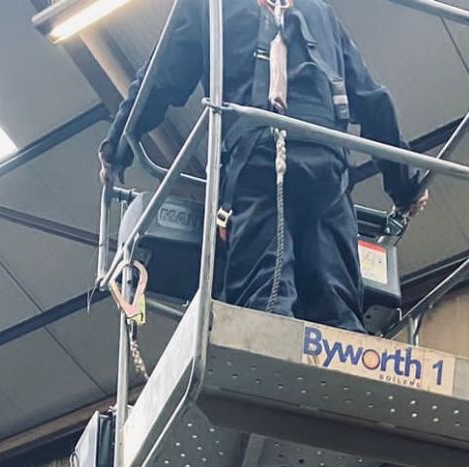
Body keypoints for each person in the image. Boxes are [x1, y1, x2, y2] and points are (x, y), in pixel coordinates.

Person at [99, 0, 428, 332]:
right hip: (328, 169)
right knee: (336, 308)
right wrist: (406, 186)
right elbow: (371, 99)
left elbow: (159, 79)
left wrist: (116, 149)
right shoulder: (318, 10)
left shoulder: (210, 5)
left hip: (258, 164)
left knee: (266, 300)